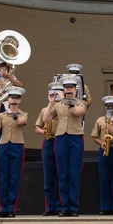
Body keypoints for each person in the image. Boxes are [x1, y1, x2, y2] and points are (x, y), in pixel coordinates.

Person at [49, 75, 88, 216]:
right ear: (63, 89)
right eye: (66, 87)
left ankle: (73, 207)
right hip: (60, 138)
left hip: (76, 138)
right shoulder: (58, 105)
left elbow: (78, 112)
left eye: (71, 87)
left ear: (76, 89)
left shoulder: (80, 103)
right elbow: (46, 118)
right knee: (62, 173)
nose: (68, 89)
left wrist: (69, 102)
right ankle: (64, 206)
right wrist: (51, 103)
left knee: (74, 173)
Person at [0, 87, 28, 217]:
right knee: (3, 177)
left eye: (16, 98)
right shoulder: (2, 115)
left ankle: (11, 208)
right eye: (11, 97)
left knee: (14, 177)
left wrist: (9, 109)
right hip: (3, 145)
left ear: (19, 100)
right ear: (7, 98)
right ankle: (3, 207)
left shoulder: (23, 114)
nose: (13, 100)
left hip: (17, 146)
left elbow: (20, 122)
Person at [91, 96, 113, 215]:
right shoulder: (100, 120)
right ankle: (105, 207)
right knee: (104, 179)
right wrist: (101, 143)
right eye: (109, 106)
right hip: (104, 149)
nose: (111, 108)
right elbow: (94, 136)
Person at [35, 83, 62, 215]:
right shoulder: (44, 110)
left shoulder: (63, 109)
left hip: (61, 140)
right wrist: (44, 132)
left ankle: (61, 205)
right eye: (53, 93)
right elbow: (37, 128)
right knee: (49, 175)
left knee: (60, 174)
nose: (55, 96)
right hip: (49, 141)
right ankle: (51, 206)